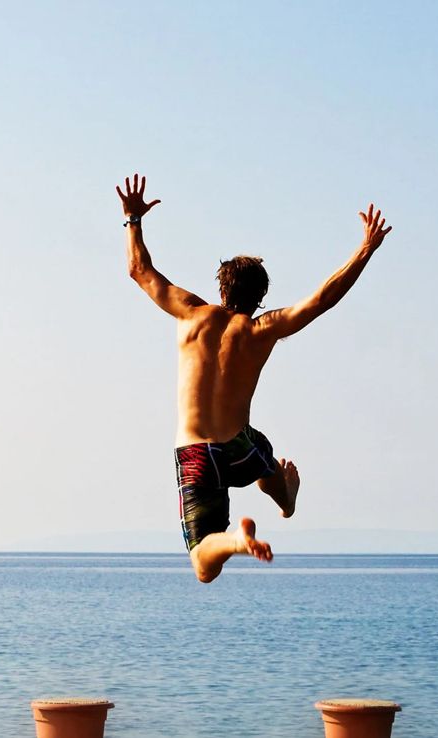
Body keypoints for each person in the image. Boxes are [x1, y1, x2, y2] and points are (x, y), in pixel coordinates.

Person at [116, 173, 392, 582]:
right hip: (238, 446)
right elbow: (321, 299)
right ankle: (283, 495)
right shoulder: (263, 329)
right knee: (261, 451)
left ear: (221, 289)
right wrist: (365, 250)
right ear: (260, 298)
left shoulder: (191, 312)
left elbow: (139, 269)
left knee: (203, 566)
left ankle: (233, 542)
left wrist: (133, 221)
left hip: (195, 451)